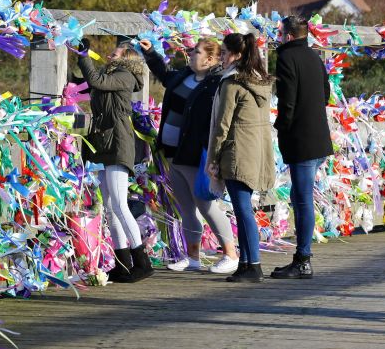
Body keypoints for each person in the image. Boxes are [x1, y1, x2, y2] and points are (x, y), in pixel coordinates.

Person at [138, 38, 238, 275]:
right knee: (186, 207)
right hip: (172, 152)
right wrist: (151, 53)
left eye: (196, 52)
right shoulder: (184, 75)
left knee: (206, 205)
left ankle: (231, 254)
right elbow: (164, 75)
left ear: (211, 59)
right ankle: (193, 256)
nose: (191, 54)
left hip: (194, 153)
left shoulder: (216, 83)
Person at [76, 38, 153, 283]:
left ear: (127, 60)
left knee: (120, 203)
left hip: (119, 143)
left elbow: (97, 81)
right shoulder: (113, 75)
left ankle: (142, 261)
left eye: (115, 54)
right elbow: (92, 83)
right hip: (105, 143)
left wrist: (84, 56)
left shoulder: (125, 77)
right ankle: (122, 263)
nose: (109, 56)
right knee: (109, 207)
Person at [207, 33, 275, 283]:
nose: (221, 57)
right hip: (256, 151)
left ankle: (253, 264)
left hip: (237, 151)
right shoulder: (262, 82)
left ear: (236, 55)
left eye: (224, 52)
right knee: (244, 208)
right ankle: (246, 263)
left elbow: (222, 125)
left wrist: (213, 158)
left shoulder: (232, 83)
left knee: (243, 210)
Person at [270, 16, 333, 280]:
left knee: (303, 200)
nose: (278, 37)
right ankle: (302, 256)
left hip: (301, 140)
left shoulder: (286, 58)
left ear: (288, 35)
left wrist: (280, 126)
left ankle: (303, 260)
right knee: (300, 197)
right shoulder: (314, 57)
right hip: (318, 138)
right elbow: (326, 93)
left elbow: (288, 99)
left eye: (280, 32)